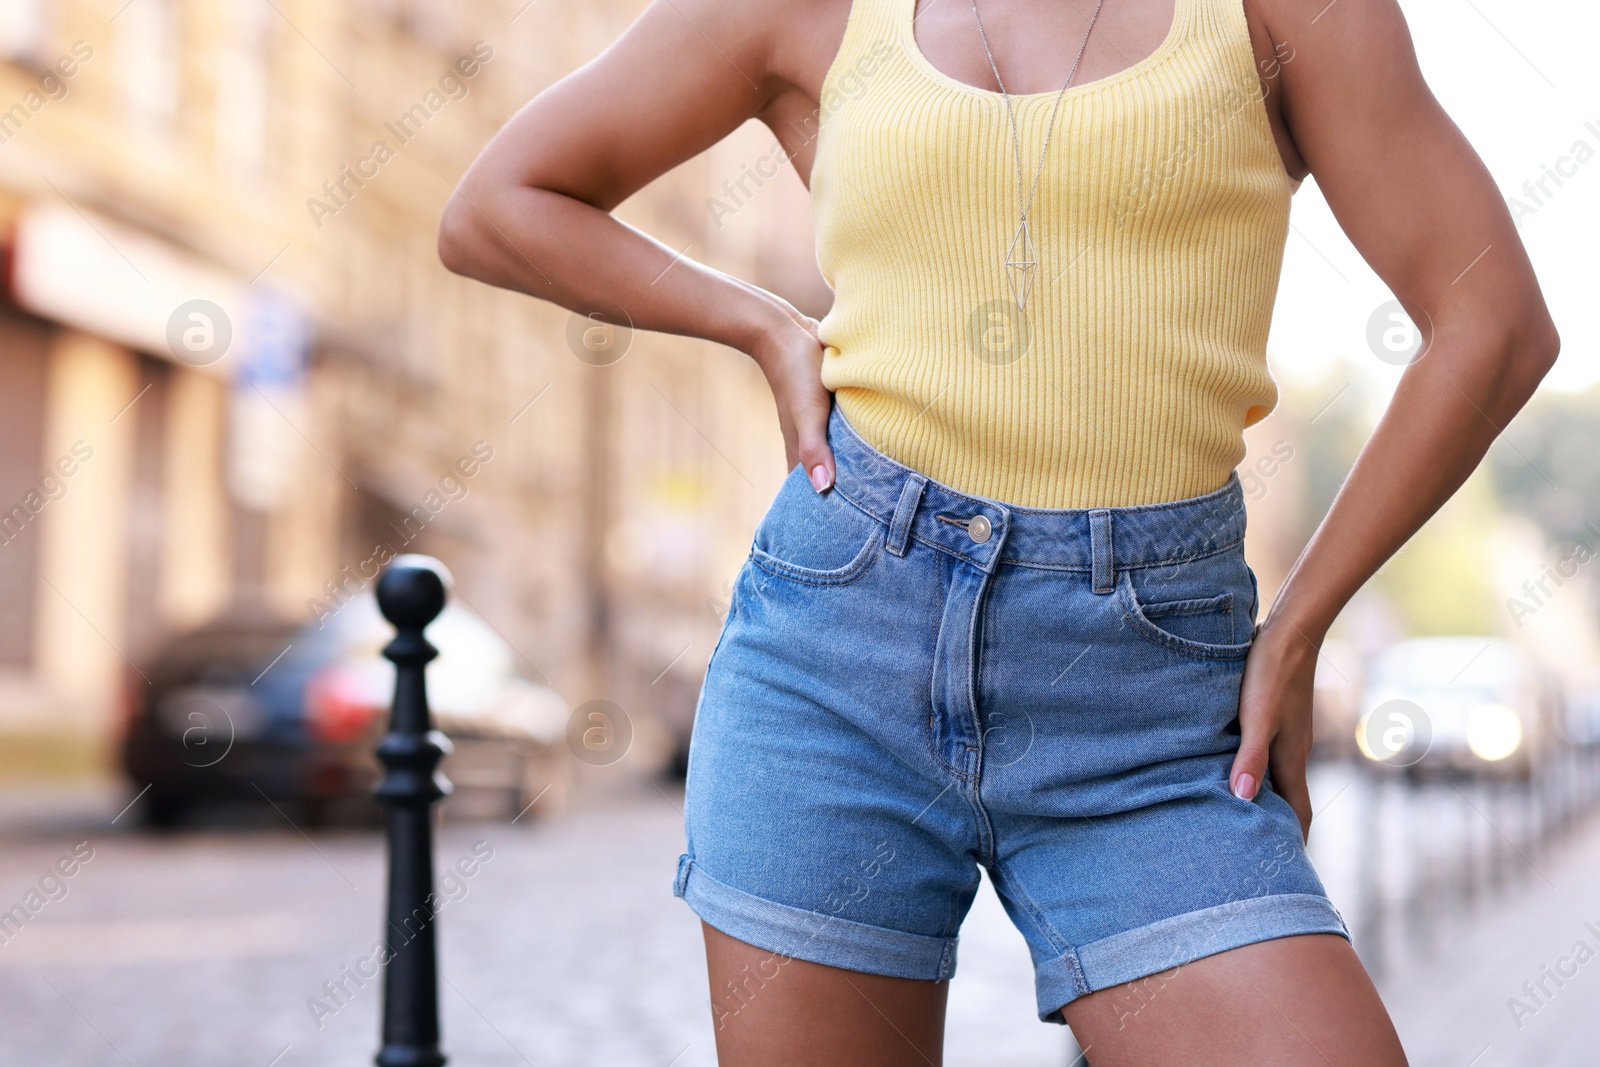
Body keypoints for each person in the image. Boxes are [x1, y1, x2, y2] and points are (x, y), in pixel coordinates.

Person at [437, 0, 1558, 1060]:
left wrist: (1302, 620)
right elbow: (500, 204)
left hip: (1149, 703)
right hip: (837, 658)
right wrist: (761, 323)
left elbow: (1492, 321)